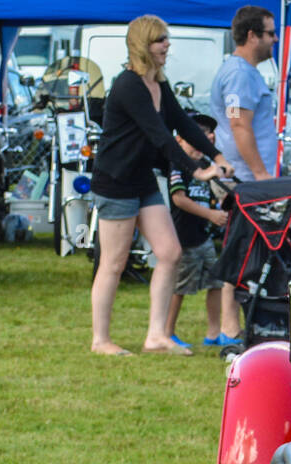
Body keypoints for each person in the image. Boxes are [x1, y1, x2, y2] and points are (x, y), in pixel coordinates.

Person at [89, 16, 230, 356]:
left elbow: (183, 123)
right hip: (116, 181)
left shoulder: (158, 83)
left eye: (166, 39)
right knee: (113, 263)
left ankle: (155, 336)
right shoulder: (128, 85)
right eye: (159, 40)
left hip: (142, 180)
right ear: (142, 45)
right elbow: (160, 134)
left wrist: (217, 154)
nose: (166, 45)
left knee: (170, 253)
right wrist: (197, 170)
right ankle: (100, 341)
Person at [166, 113, 233, 348]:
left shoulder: (206, 166)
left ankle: (214, 333)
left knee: (216, 282)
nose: (209, 136)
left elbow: (219, 191)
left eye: (210, 132)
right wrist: (211, 216)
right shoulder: (178, 163)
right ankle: (167, 332)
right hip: (183, 237)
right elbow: (179, 199)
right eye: (201, 132)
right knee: (179, 287)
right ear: (180, 140)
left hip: (203, 237)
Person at [209, 8, 278, 182]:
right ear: (252, 36)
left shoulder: (240, 70)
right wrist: (260, 173)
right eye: (271, 33)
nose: (275, 39)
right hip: (245, 179)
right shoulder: (240, 74)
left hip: (242, 175)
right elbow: (239, 124)